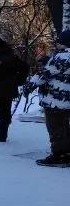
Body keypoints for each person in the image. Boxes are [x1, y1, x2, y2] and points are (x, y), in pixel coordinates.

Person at [29, 30, 70, 167]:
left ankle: (59, 155)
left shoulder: (62, 56)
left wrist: (29, 85)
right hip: (67, 100)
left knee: (55, 128)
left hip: (56, 100)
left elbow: (45, 74)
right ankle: (67, 153)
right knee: (64, 127)